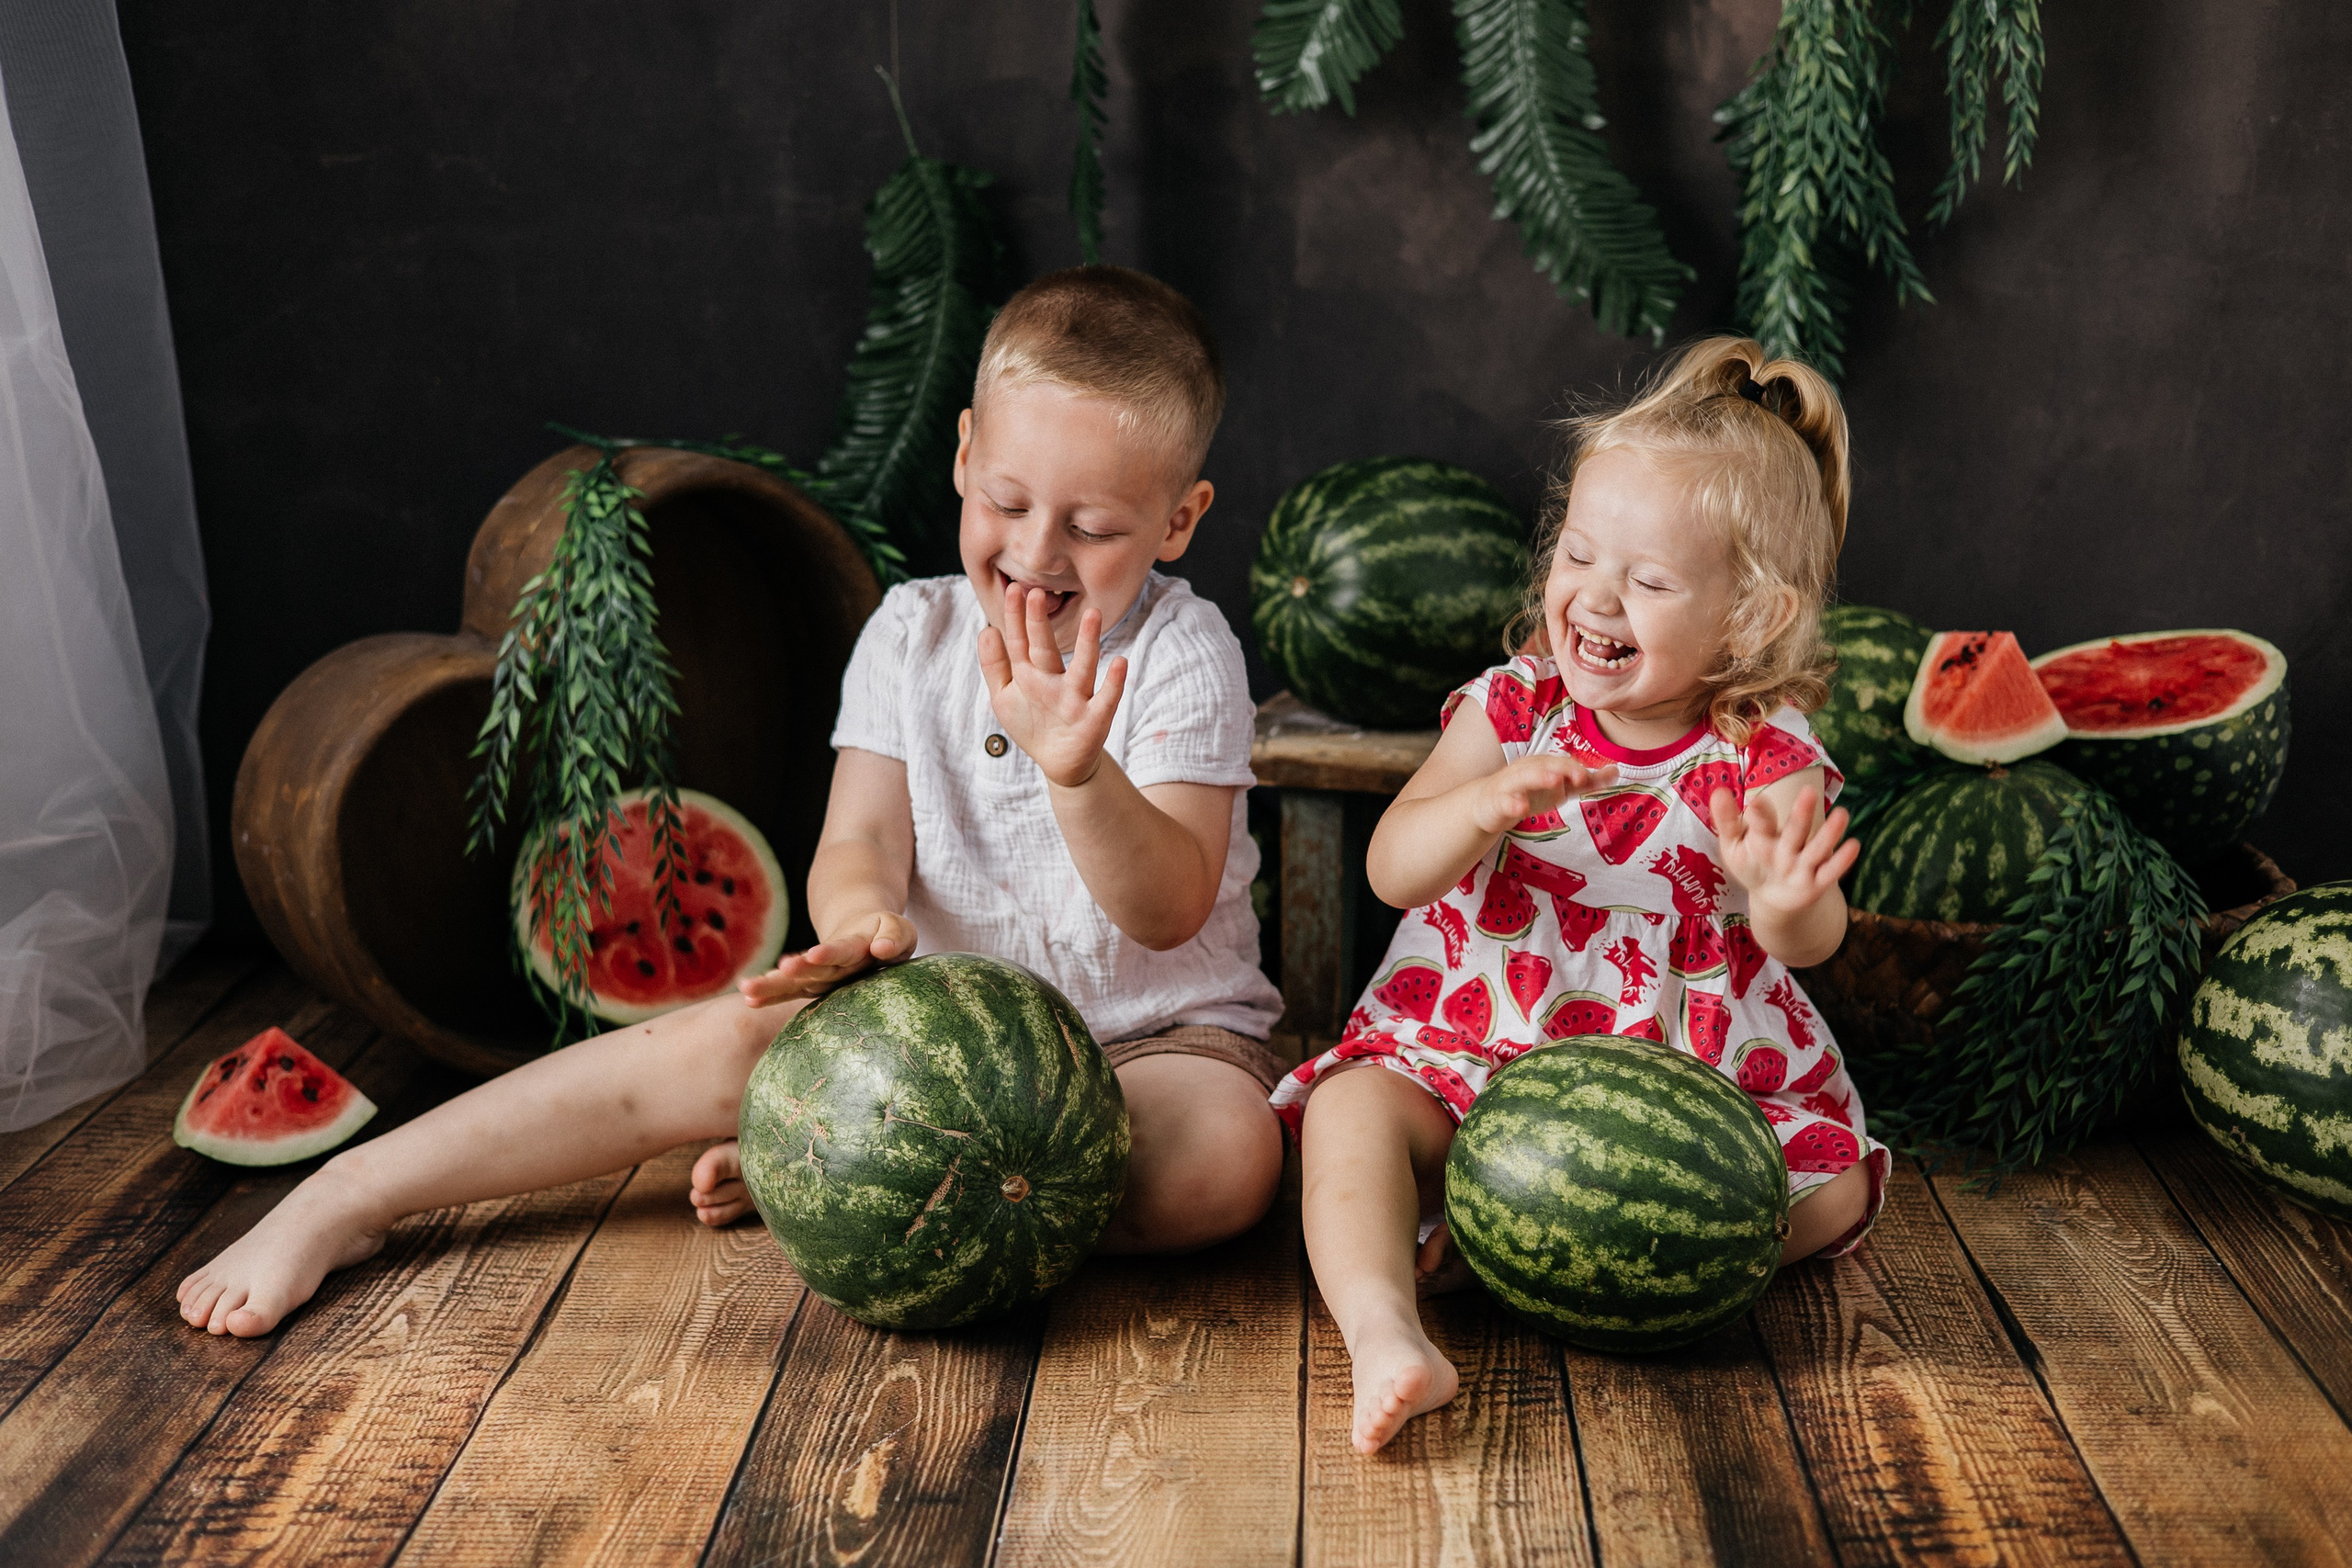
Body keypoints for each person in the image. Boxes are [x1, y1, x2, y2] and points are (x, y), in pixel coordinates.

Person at [180, 265, 1288, 1337]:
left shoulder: (1185, 653)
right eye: (1007, 502)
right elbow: (860, 838)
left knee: (1224, 1165)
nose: (1037, 553)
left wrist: (1078, 772)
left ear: (1176, 521)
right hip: (915, 1043)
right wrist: (863, 927)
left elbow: (1167, 910)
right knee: (700, 1050)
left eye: (1092, 529)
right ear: (963, 456)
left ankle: (846, 1180)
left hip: (1153, 1046)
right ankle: (354, 1192)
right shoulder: (914, 633)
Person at [1275, 337, 1891, 1455]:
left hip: (1684, 1074)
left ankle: (1527, 1254)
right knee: (1347, 1112)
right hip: (1473, 1036)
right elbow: (1392, 869)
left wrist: (1781, 898)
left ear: (1751, 617)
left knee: (1832, 1193)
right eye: (1577, 554)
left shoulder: (1763, 751)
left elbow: (1806, 943)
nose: (1594, 598)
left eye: (1648, 583)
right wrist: (1480, 807)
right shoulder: (1515, 708)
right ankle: (1384, 1331)